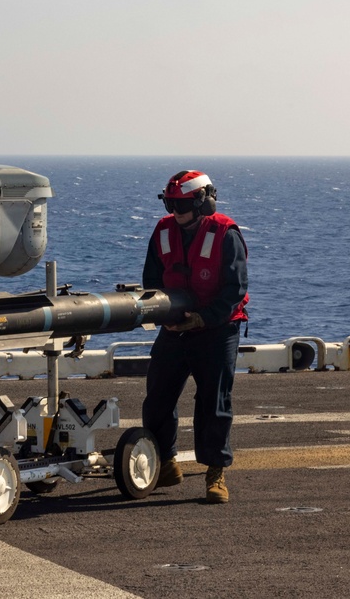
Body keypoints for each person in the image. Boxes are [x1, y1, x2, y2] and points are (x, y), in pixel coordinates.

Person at [141, 170, 248, 504]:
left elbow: (235, 290)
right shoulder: (163, 231)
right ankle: (167, 463)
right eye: (171, 203)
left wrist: (202, 317)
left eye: (182, 203)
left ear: (204, 201)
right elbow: (152, 278)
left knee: (213, 403)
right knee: (157, 398)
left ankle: (215, 472)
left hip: (217, 330)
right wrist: (166, 316)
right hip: (175, 329)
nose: (176, 210)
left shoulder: (224, 234)